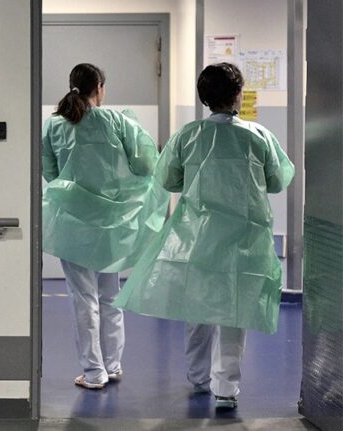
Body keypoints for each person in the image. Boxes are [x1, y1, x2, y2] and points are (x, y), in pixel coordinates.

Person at [113, 63, 295, 409]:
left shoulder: (189, 135)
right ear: (238, 94)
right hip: (244, 239)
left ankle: (198, 376)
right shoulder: (257, 136)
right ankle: (225, 389)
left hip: (196, 236)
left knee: (196, 305)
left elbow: (168, 180)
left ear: (204, 96)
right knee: (235, 311)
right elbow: (276, 181)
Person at [42, 63, 169, 390]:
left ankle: (94, 372)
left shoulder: (54, 125)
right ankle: (112, 365)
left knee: (83, 300)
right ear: (99, 87)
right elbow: (146, 164)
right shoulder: (116, 121)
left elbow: (50, 172)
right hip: (113, 224)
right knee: (110, 296)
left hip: (72, 225)